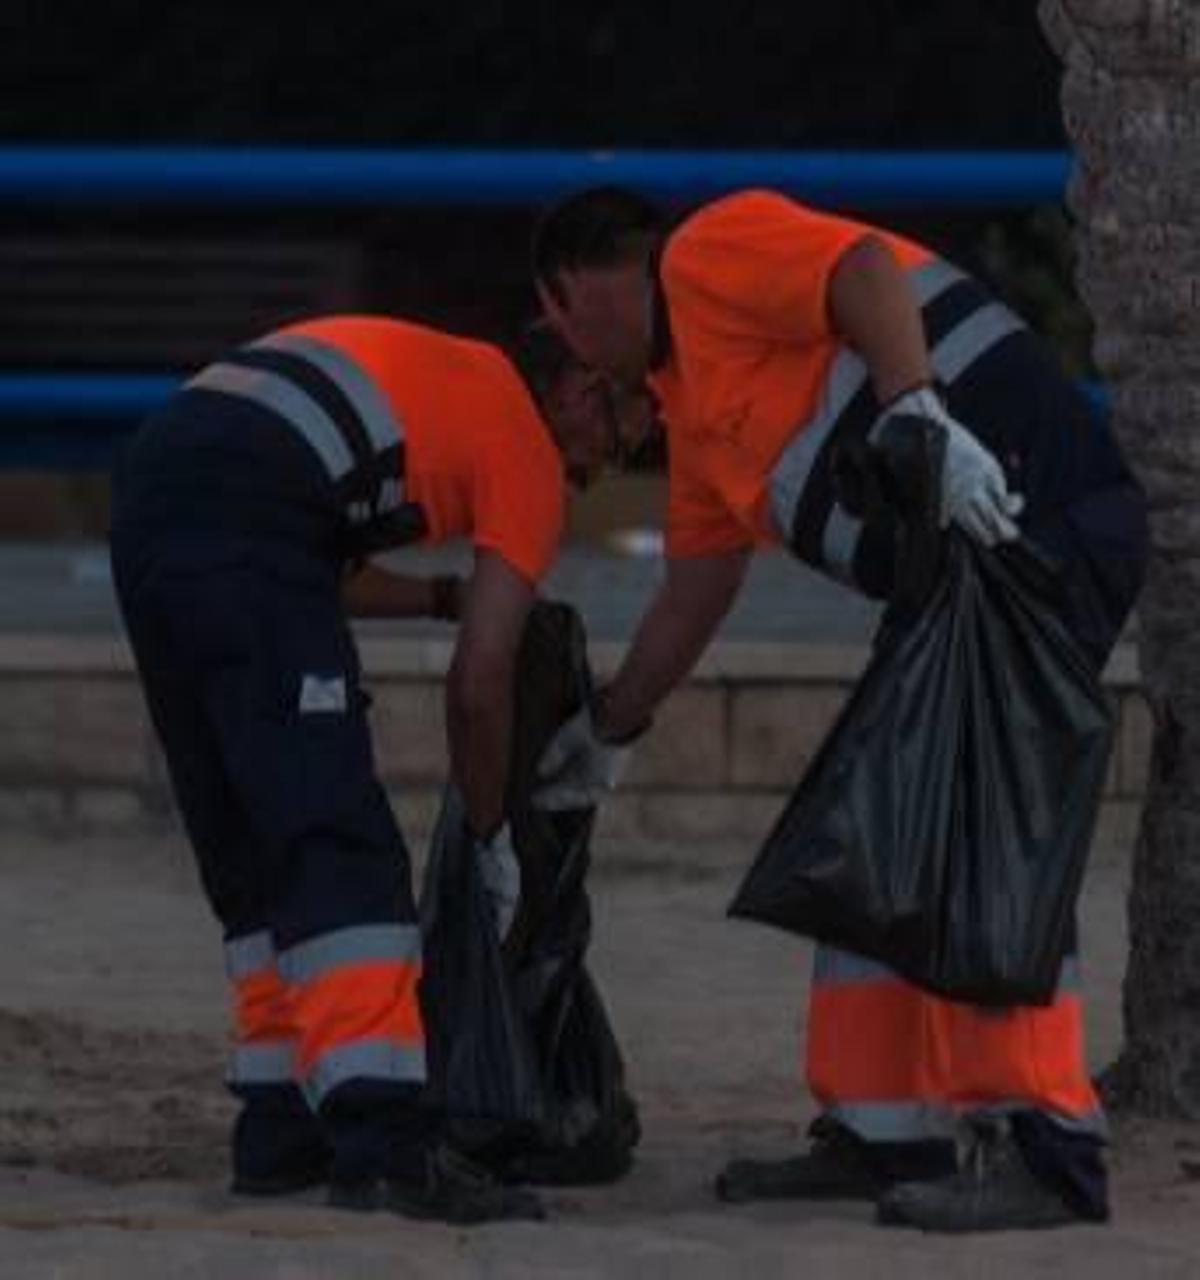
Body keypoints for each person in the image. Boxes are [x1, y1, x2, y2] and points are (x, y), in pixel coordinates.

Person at [531, 185, 1148, 1232]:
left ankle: (1047, 1145)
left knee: (977, 831)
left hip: (1031, 528)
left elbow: (862, 267)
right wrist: (608, 728)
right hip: (959, 580)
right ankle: (883, 1128)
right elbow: (696, 590)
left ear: (592, 276)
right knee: (880, 811)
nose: (570, 349)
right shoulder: (692, 403)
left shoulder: (704, 252)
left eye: (558, 316)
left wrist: (916, 409)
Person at [109, 313, 619, 1224]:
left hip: (155, 493)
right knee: (340, 843)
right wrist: (490, 832)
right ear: (578, 390)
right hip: (250, 504)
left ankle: (278, 1125)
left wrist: (439, 595)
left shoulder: (442, 376)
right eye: (627, 426)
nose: (620, 457)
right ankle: (383, 1138)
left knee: (253, 841)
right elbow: (480, 679)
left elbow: (310, 571)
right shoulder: (525, 452)